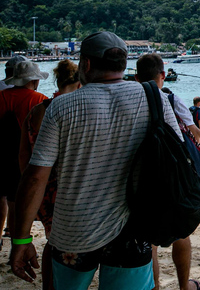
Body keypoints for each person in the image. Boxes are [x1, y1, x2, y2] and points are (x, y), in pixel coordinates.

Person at [9, 31, 184, 289]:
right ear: (123, 64)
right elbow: (177, 157)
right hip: (133, 230)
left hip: (73, 230)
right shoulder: (153, 97)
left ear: (87, 64)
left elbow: (35, 177)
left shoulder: (61, 107)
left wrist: (21, 240)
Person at [135, 52, 200, 290]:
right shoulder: (170, 99)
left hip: (139, 177)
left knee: (149, 239)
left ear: (136, 77)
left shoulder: (130, 98)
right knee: (181, 232)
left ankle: (154, 287)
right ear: (162, 75)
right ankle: (184, 286)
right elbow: (191, 135)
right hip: (169, 174)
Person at [17, 60, 79, 290]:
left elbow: (24, 159)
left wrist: (34, 191)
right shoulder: (73, 111)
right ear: (80, 82)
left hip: (42, 190)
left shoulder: (36, 111)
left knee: (52, 241)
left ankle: (49, 286)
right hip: (68, 189)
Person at [1, 58, 49, 252]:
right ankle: (17, 243)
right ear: (35, 81)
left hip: (1, 156)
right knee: (16, 202)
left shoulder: (2, 96)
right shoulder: (39, 100)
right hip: (24, 157)